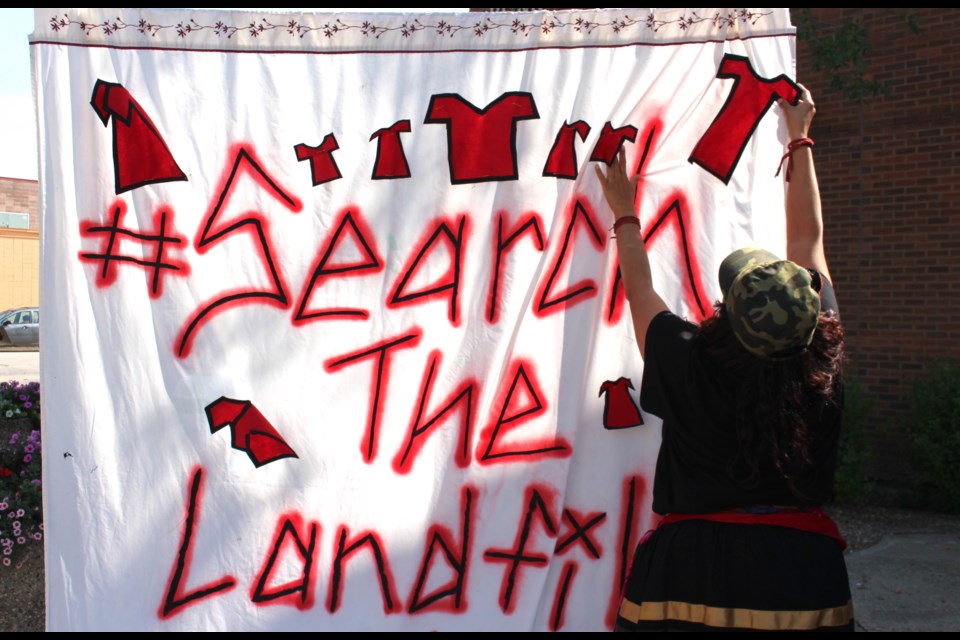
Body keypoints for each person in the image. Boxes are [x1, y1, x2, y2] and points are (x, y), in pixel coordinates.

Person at [595, 85, 854, 631]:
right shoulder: (822, 363)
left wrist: (624, 212)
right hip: (802, 577)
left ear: (728, 316)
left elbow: (641, 292)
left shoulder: (693, 364)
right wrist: (799, 137)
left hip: (688, 576)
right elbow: (809, 239)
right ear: (811, 318)